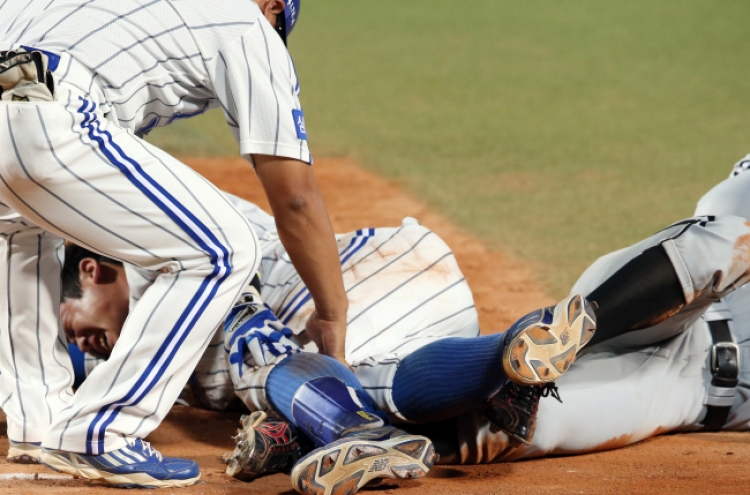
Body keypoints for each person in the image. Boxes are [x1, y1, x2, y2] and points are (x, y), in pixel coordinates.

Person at [0, 0, 352, 488]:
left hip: (19, 91)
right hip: (47, 114)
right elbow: (294, 199)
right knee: (222, 251)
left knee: (20, 229)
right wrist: (331, 313)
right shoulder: (244, 20)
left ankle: (37, 419)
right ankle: (102, 432)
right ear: (272, 6)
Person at [59, 191, 596, 494]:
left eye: (72, 328)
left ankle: (353, 429)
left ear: (91, 270)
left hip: (352, 295)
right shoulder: (136, 253)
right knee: (375, 387)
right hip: (410, 299)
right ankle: (508, 353)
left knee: (254, 349)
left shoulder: (156, 257)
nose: (84, 345)